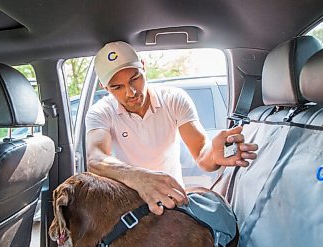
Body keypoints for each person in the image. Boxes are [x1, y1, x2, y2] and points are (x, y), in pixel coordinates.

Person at [86, 41, 258, 215]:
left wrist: (214, 154)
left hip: (173, 201)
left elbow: (201, 155)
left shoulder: (173, 100)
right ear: (104, 87)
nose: (131, 92)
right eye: (117, 87)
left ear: (143, 67)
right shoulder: (101, 112)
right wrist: (140, 178)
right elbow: (96, 159)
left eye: (135, 79)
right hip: (128, 207)